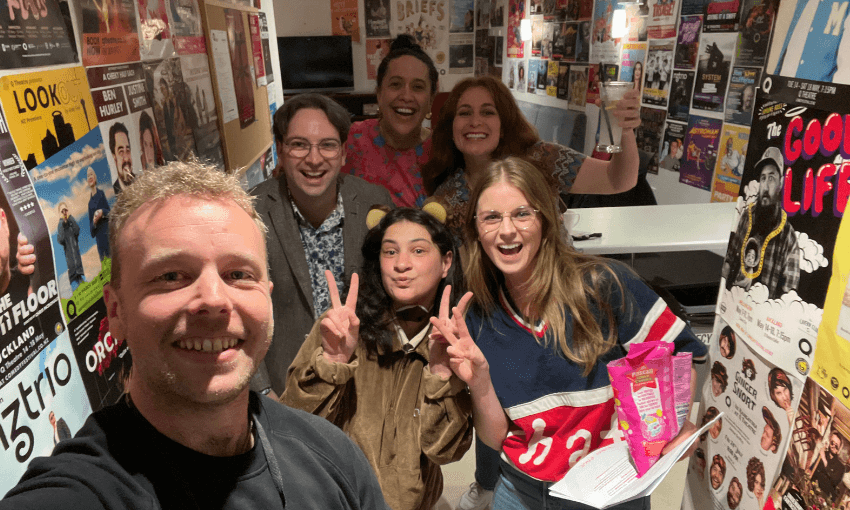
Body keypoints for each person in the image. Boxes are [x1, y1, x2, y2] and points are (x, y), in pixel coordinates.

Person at [1, 161, 390, 509]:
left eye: (239, 274)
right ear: (115, 311)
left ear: (267, 299)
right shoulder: (83, 490)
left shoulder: (333, 455)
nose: (215, 300)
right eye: (171, 276)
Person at [430, 157, 706, 509]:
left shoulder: (603, 285)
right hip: (521, 492)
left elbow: (681, 353)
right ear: (476, 229)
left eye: (521, 213)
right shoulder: (479, 317)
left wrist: (677, 426)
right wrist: (480, 382)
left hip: (612, 493)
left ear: (545, 220)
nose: (507, 230)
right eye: (492, 217)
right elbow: (497, 437)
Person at [283, 206, 473, 510]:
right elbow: (291, 426)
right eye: (390, 252)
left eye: (419, 250)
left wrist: (440, 375)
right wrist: (332, 363)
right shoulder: (343, 328)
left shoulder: (454, 342)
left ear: (446, 262)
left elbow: (445, 452)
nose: (402, 264)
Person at [252, 93, 394, 396]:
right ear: (280, 151)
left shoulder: (374, 202)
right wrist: (263, 392)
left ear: (343, 153)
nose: (314, 159)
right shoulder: (251, 212)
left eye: (327, 145)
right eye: (299, 144)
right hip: (287, 390)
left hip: (363, 386)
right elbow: (239, 312)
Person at [424, 76, 641, 243]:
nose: (475, 122)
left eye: (488, 112)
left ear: (503, 126)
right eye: (464, 113)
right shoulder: (447, 197)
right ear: (451, 128)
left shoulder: (541, 159)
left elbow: (619, 180)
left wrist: (625, 130)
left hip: (558, 289)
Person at [343, 35, 438, 208]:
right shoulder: (350, 140)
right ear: (379, 93)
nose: (406, 96)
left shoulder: (442, 150)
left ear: (431, 99)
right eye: (395, 84)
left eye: (417, 87)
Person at [722, 147, 800, 299]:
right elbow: (729, 259)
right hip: (733, 307)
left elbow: (789, 294)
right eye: (763, 178)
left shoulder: (788, 237)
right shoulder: (746, 216)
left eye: (771, 178)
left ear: (781, 183)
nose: (765, 186)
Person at [773, 0, 850, 83]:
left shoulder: (845, 5)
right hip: (784, 88)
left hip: (817, 92)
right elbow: (788, 51)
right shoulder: (803, 2)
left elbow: (845, 72)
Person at [56, 202, 85, 291]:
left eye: (66, 210)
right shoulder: (60, 226)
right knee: (76, 287)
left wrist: (70, 219)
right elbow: (61, 239)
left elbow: (77, 230)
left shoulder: (71, 224)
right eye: (62, 211)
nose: (64, 212)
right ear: (60, 213)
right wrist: (62, 223)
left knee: (83, 284)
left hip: (78, 265)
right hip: (71, 265)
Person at [811, 431, 847, 500]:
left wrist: (824, 460)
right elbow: (813, 468)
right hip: (812, 488)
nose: (833, 446)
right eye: (832, 442)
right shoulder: (823, 454)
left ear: (838, 449)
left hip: (823, 497)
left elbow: (834, 481)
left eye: (836, 445)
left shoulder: (841, 467)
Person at [86, 167, 110, 262]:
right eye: (88, 176)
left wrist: (102, 212)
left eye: (91, 174)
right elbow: (91, 232)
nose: (90, 177)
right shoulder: (90, 204)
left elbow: (110, 213)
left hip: (109, 237)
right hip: (101, 245)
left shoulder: (101, 194)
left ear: (95, 177)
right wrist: (94, 221)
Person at [109, 123, 135, 195]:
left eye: (128, 150)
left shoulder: (141, 182)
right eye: (121, 152)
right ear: (114, 156)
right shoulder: (113, 194)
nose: (126, 158)